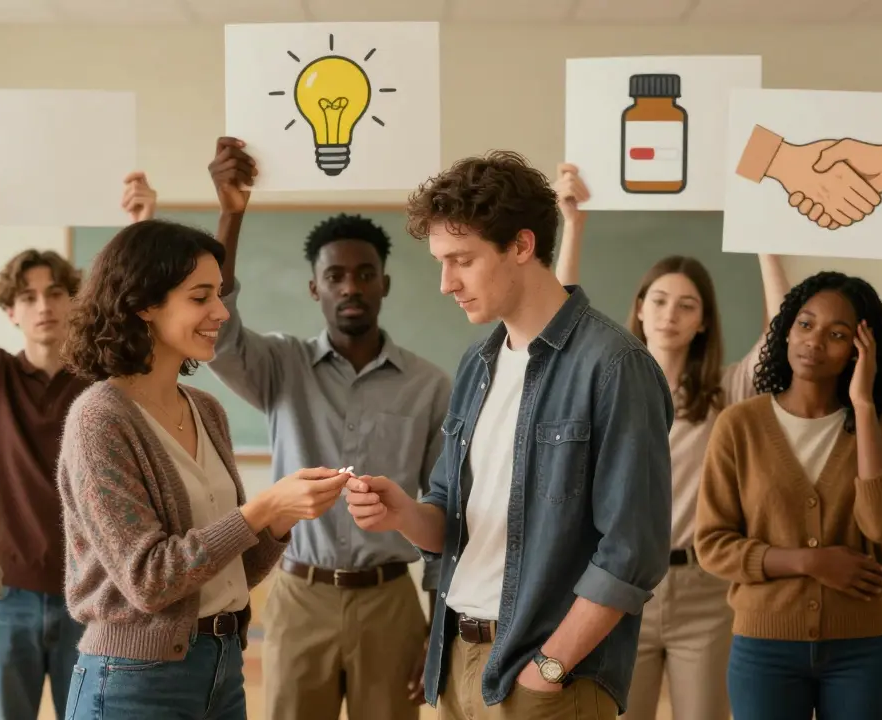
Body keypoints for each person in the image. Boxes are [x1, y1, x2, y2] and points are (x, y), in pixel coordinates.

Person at [346, 150, 674, 720]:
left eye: (462, 260)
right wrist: (403, 513)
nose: (446, 283)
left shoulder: (615, 365)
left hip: (550, 679)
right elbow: (450, 519)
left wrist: (549, 669)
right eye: (441, 262)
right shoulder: (478, 362)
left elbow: (632, 552)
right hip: (456, 664)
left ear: (522, 246)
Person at [55, 218, 354, 720]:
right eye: (201, 297)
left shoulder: (206, 409)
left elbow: (228, 569)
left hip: (221, 666)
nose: (220, 311)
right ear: (145, 304)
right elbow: (150, 580)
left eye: (218, 294)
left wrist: (280, 519)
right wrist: (261, 509)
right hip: (133, 680)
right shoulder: (98, 419)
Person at [205, 136, 453, 720]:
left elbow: (448, 508)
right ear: (314, 287)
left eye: (365, 274)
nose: (351, 286)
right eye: (335, 275)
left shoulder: (430, 385)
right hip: (300, 594)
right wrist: (230, 216)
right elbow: (217, 330)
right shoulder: (280, 367)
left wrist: (436, 626)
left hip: (392, 600)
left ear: (384, 284)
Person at [0, 171, 157, 720]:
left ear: (77, 302)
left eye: (57, 292)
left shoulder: (104, 380)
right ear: (11, 311)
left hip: (93, 598)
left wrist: (142, 226)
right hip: (7, 598)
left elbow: (142, 315)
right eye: (28, 296)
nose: (44, 305)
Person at [551, 164, 790, 720]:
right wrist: (573, 224)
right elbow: (558, 322)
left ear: (704, 321)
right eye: (658, 300)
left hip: (703, 587)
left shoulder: (726, 390)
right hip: (617, 585)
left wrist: (764, 237)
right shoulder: (607, 382)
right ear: (639, 307)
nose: (670, 315)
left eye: (687, 305)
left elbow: (783, 330)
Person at [694, 271, 882, 720]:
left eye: (837, 334)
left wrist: (865, 407)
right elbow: (713, 545)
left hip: (864, 648)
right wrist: (809, 562)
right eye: (805, 324)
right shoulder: (739, 426)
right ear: (787, 328)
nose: (814, 341)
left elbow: (881, 524)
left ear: (860, 350)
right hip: (764, 648)